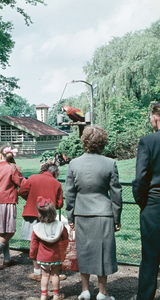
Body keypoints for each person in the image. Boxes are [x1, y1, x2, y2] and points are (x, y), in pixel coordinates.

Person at [65, 125, 122, 300]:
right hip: (104, 214)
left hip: (82, 214)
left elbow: (69, 193)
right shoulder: (110, 163)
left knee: (84, 252)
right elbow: (116, 194)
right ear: (102, 142)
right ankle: (103, 293)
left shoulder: (74, 163)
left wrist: (70, 216)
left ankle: (85, 291)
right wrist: (117, 217)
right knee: (102, 253)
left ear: (84, 141)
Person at [18, 162, 66, 281]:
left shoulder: (33, 178)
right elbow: (59, 204)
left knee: (34, 243)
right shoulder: (56, 183)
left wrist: (31, 200)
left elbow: (21, 191)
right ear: (55, 172)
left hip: (32, 213)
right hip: (48, 217)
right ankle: (52, 272)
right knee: (50, 243)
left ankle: (37, 272)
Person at [132, 102, 160, 300]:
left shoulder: (148, 141)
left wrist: (144, 202)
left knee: (150, 259)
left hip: (154, 206)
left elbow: (141, 178)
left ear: (156, 117)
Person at [0, 145, 24, 270]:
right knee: (10, 232)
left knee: (5, 231)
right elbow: (23, 184)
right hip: (8, 202)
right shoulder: (13, 168)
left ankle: (7, 259)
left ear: (0, 155)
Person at [29, 196, 68, 300]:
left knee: (45, 276)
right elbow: (65, 239)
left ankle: (44, 295)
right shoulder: (60, 226)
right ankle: (56, 295)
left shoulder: (37, 228)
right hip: (56, 256)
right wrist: (65, 253)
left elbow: (34, 244)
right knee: (55, 275)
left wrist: (33, 255)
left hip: (43, 257)